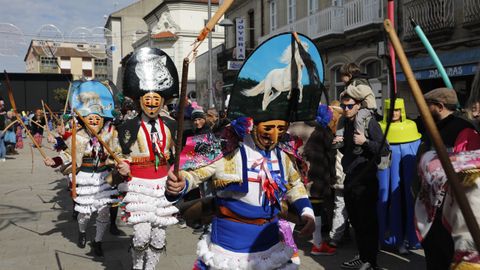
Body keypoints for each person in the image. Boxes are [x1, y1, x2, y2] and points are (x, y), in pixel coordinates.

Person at [166, 32, 321, 270]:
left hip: (270, 245)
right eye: (268, 128)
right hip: (229, 248)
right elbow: (195, 174)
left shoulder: (283, 155)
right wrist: (180, 183)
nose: (274, 135)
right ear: (252, 124)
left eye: (280, 128)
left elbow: (295, 186)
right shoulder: (230, 150)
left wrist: (307, 213)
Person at [115, 47, 179, 270]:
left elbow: (179, 155)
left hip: (163, 186)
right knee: (142, 236)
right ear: (140, 100)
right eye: (148, 99)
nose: (152, 103)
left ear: (162, 101)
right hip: (138, 185)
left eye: (156, 99)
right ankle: (137, 266)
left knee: (159, 238)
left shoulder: (172, 124)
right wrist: (120, 165)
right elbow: (116, 155)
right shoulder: (127, 127)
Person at [44, 80, 119, 257]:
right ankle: (83, 232)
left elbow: (117, 154)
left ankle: (99, 241)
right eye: (90, 119)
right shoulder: (77, 137)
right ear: (84, 121)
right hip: (85, 178)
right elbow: (67, 156)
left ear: (103, 120)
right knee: (84, 213)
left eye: (97, 119)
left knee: (104, 213)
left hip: (104, 179)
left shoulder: (110, 135)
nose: (94, 122)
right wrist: (53, 161)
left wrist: (117, 162)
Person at [415, 88, 480, 270]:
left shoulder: (464, 131)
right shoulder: (432, 128)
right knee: (433, 254)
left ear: (440, 106)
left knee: (447, 255)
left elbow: (469, 174)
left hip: (449, 207)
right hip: (430, 204)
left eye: (426, 107)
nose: (422, 112)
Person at [338, 94, 387, 269]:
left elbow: (384, 148)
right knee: (356, 221)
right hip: (350, 177)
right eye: (343, 107)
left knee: (367, 222)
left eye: (349, 106)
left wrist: (365, 141)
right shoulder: (346, 123)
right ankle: (363, 256)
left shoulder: (369, 122)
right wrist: (341, 144)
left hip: (366, 179)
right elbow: (349, 151)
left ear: (359, 105)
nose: (346, 110)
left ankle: (371, 262)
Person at [377, 98, 422, 254]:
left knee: (409, 199)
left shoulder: (411, 127)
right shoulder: (380, 127)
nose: (394, 114)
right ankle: (393, 239)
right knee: (389, 201)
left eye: (397, 110)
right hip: (386, 172)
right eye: (391, 111)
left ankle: (411, 237)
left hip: (408, 172)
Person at [309, 101, 348, 256]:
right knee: (321, 209)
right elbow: (331, 156)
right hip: (321, 177)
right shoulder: (324, 132)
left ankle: (323, 240)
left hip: (313, 177)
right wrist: (333, 176)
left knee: (323, 208)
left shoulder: (311, 128)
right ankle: (319, 244)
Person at [334, 63, 377, 155]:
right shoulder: (351, 84)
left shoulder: (360, 82)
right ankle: (339, 137)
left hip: (367, 107)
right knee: (342, 118)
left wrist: (347, 90)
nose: (341, 79)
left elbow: (361, 93)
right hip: (359, 106)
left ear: (349, 75)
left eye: (342, 76)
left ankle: (359, 140)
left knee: (359, 118)